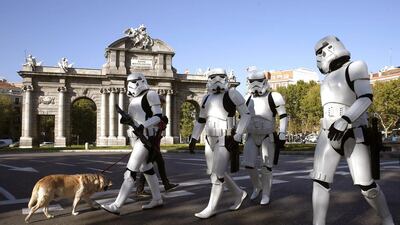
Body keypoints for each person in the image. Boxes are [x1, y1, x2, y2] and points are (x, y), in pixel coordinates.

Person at [310, 36, 394, 225]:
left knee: (367, 185)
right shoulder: (326, 78)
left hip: (352, 131)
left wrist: (346, 118)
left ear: (328, 50)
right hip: (327, 132)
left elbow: (365, 97)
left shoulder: (355, 67)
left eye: (318, 54)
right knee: (320, 181)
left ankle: (387, 218)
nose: (317, 59)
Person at [188, 68, 251, 219]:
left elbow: (246, 114)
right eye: (213, 77)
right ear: (208, 79)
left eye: (221, 76)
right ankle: (239, 193)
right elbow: (201, 119)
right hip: (209, 139)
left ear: (226, 78)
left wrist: (238, 134)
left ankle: (211, 208)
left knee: (217, 175)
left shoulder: (232, 94)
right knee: (214, 173)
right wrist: (194, 137)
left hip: (225, 138)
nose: (217, 79)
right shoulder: (205, 98)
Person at [101, 72, 163, 215]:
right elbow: (135, 119)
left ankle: (116, 205)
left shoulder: (151, 94)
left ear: (140, 81)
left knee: (130, 172)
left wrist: (143, 126)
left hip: (145, 138)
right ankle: (157, 199)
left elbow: (158, 117)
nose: (130, 85)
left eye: (133, 82)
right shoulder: (134, 100)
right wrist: (127, 120)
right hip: (135, 138)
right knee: (147, 169)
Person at [243, 68, 287, 205]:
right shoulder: (247, 98)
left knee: (266, 167)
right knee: (248, 164)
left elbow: (283, 115)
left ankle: (266, 194)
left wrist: (282, 132)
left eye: (259, 81)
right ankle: (257, 186)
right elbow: (242, 117)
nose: (255, 84)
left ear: (265, 81)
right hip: (251, 135)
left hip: (267, 136)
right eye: (252, 81)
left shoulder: (274, 96)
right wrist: (237, 132)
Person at [136, 95, 179, 195]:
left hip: (154, 143)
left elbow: (158, 127)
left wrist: (162, 124)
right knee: (148, 166)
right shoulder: (151, 113)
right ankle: (140, 189)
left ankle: (165, 184)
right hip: (151, 143)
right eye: (161, 104)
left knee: (159, 163)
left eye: (162, 104)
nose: (161, 106)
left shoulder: (153, 113)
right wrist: (162, 124)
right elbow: (152, 126)